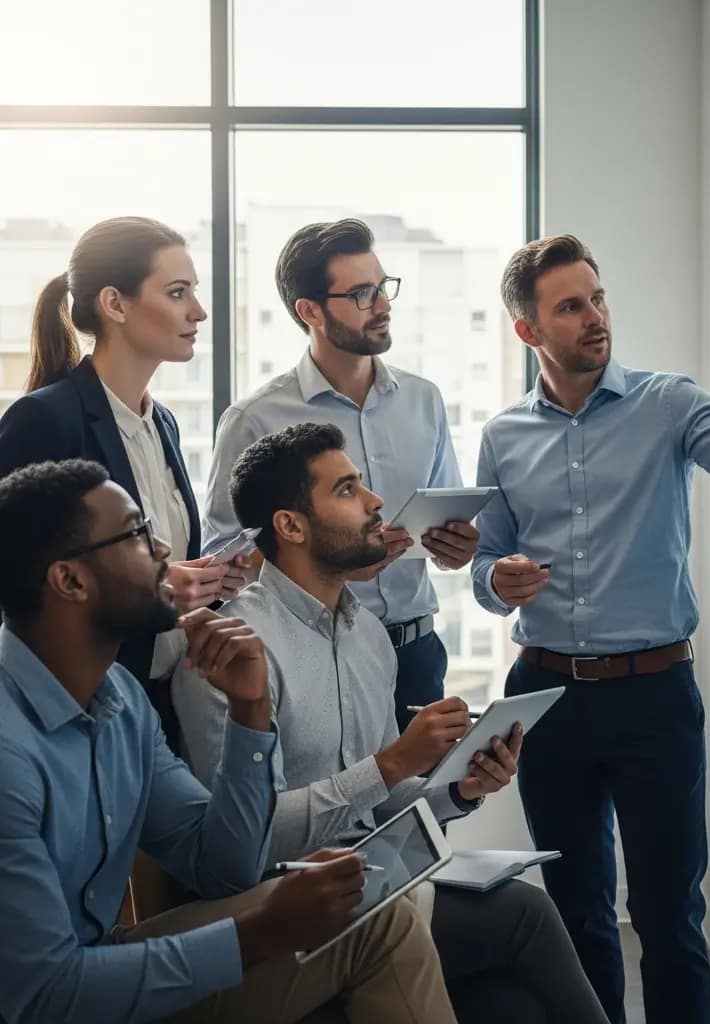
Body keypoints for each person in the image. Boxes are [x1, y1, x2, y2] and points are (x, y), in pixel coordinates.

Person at [470, 235, 710, 1024]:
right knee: (577, 915)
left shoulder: (668, 402)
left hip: (654, 697)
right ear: (528, 330)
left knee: (669, 916)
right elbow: (484, 565)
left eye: (597, 298)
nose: (595, 317)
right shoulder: (502, 437)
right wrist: (495, 580)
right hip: (545, 699)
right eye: (570, 307)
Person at [175, 423, 610, 1024]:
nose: (376, 501)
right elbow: (244, 844)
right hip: (281, 906)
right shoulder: (230, 652)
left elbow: (380, 803)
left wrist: (460, 788)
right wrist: (393, 763)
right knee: (526, 916)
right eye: (347, 490)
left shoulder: (370, 638)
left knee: (512, 1006)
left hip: (375, 880)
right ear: (291, 526)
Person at [0, 459, 456, 1024]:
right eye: (138, 535)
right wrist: (258, 933)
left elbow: (223, 868)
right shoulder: (10, 749)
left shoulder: (120, 700)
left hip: (100, 962)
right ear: (70, 581)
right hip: (51, 998)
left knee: (380, 913)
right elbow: (41, 996)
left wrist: (250, 711)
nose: (164, 550)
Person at [202, 219, 478, 733]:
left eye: (383, 286)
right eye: (361, 294)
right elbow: (223, 562)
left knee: (423, 785)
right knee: (333, 784)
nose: (383, 304)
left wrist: (455, 548)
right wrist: (335, 564)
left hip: (418, 652)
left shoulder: (425, 400)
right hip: (311, 653)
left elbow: (443, 521)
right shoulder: (255, 419)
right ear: (309, 311)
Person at [0, 217, 248, 747]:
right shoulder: (45, 420)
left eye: (194, 291)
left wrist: (208, 584)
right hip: (81, 711)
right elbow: (19, 582)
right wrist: (147, 586)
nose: (199, 312)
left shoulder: (163, 424)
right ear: (115, 303)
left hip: (166, 706)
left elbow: (165, 572)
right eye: (177, 293)